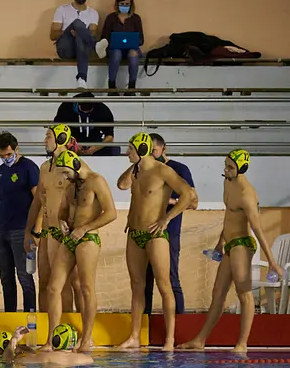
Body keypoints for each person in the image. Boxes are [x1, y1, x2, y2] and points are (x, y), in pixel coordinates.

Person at [178, 150, 284, 352]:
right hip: (229, 244)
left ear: (241, 168)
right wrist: (220, 243)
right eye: (225, 165)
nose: (225, 170)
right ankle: (200, 340)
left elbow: (258, 229)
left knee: (244, 294)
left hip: (243, 245)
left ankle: (242, 344)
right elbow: (228, 218)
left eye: (230, 167)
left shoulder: (247, 194)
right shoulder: (227, 181)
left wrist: (271, 261)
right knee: (218, 293)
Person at [116, 132, 196, 351]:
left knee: (164, 285)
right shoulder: (136, 172)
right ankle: (134, 336)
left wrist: (167, 218)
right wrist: (135, 165)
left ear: (142, 150)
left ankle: (170, 339)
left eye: (130, 149)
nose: (126, 153)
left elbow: (188, 195)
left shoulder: (163, 171)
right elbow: (121, 185)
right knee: (137, 286)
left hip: (155, 235)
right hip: (134, 234)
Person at [41, 151, 117, 353]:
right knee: (53, 288)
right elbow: (63, 210)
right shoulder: (70, 185)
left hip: (88, 239)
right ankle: (51, 339)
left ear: (76, 165)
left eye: (66, 173)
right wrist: (62, 221)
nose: (65, 177)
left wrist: (85, 228)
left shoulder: (96, 181)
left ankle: (86, 338)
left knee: (86, 288)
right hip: (70, 238)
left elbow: (111, 213)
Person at [24, 124, 82, 314]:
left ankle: (67, 327)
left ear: (61, 138)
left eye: (48, 136)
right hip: (47, 232)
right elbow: (37, 202)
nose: (44, 140)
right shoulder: (45, 167)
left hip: (66, 234)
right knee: (45, 284)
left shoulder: (74, 165)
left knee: (69, 284)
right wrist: (29, 231)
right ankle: (45, 328)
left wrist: (77, 225)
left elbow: (85, 196)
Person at [137, 133, 197, 315]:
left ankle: (178, 324)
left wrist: (166, 203)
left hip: (168, 231)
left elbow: (193, 202)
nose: (152, 154)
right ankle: (143, 326)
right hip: (145, 232)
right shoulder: (143, 169)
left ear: (164, 148)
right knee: (144, 282)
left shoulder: (178, 169)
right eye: (148, 150)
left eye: (154, 150)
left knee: (170, 280)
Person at [0, 131, 39, 312]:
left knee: (25, 277)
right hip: (3, 231)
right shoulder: (1, 170)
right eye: (2, 156)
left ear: (17, 149)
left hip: (22, 231)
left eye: (9, 155)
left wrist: (34, 230)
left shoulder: (29, 167)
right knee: (5, 278)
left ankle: (30, 318)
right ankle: (9, 315)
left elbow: (38, 200)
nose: (6, 159)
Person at [50, 0, 109, 89]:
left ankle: (81, 80)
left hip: (82, 48)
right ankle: (95, 46)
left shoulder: (93, 13)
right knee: (77, 23)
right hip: (65, 48)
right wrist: (69, 30)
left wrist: (79, 34)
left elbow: (93, 33)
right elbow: (53, 35)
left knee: (81, 38)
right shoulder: (62, 9)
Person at [100, 0, 144, 94]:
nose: (124, 6)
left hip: (131, 49)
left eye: (127, 4)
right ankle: (112, 87)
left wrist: (135, 45)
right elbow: (104, 37)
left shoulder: (136, 19)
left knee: (133, 56)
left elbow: (141, 39)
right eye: (122, 4)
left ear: (131, 4)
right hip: (114, 49)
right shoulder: (111, 18)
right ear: (117, 4)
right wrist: (113, 42)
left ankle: (131, 88)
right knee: (116, 53)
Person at [53, 92, 118, 156]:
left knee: (114, 149)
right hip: (71, 140)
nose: (85, 112)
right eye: (83, 110)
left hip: (94, 141)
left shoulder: (103, 110)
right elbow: (56, 130)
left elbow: (110, 136)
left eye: (88, 111)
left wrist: (95, 148)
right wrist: (71, 144)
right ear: (78, 105)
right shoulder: (66, 107)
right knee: (55, 147)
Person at [2, 326, 93, 366]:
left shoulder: (43, 357)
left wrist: (13, 340)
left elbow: (8, 362)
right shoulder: (87, 359)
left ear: (55, 340)